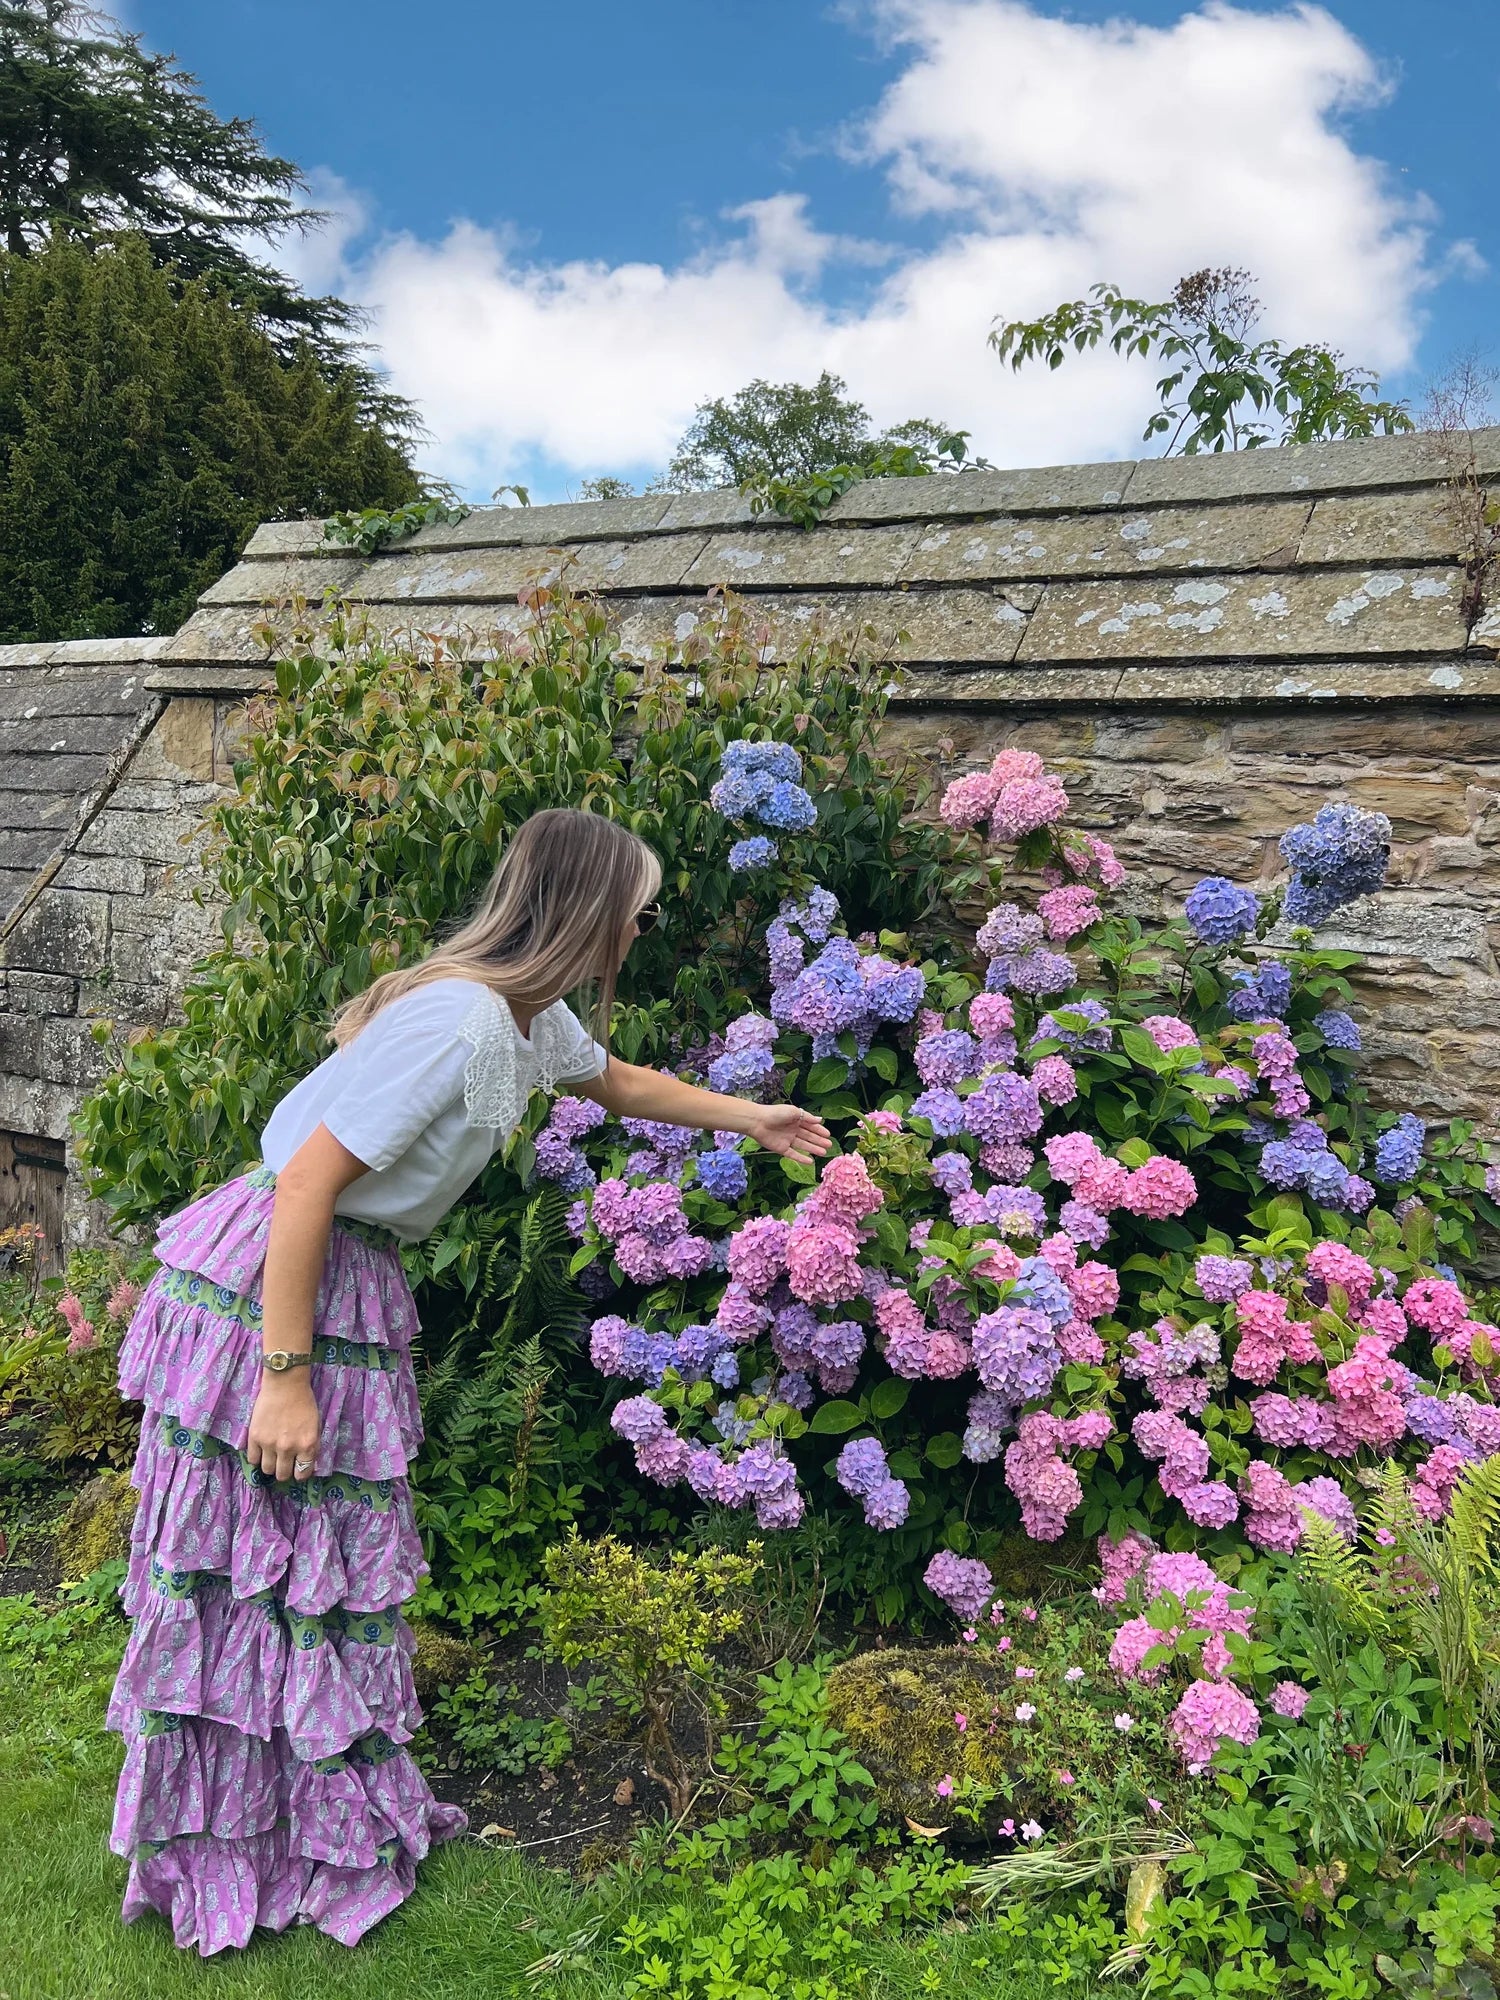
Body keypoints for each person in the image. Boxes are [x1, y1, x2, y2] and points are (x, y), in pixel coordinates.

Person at [107, 807, 831, 1955]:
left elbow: (622, 1081)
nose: (644, 930)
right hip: (275, 1286)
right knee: (251, 1569)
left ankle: (300, 1819)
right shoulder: (459, 1023)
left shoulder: (522, 1020)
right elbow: (303, 1184)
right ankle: (230, 1839)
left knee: (310, 1572)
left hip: (331, 1276)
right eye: (638, 911)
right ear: (590, 915)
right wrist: (283, 1379)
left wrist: (754, 1114)